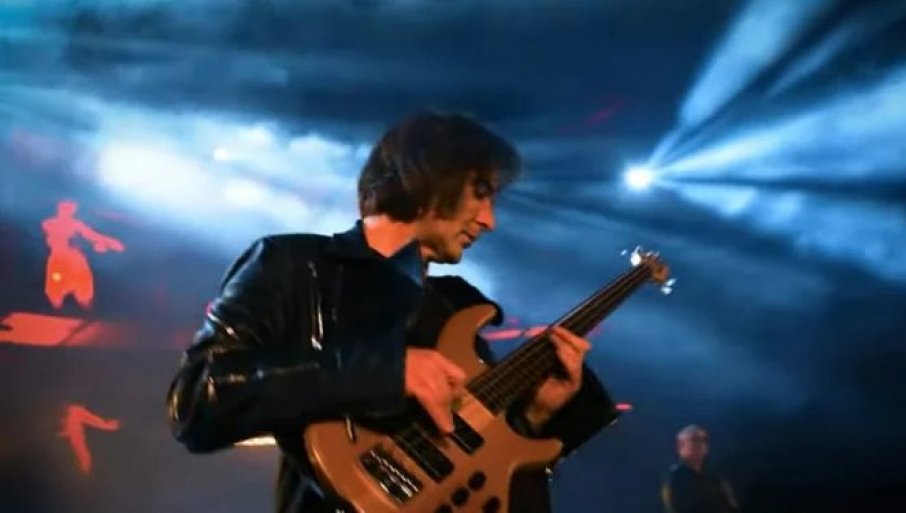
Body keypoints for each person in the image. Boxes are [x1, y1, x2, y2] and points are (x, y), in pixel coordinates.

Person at [166, 111, 619, 513]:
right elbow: (198, 401)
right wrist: (386, 372)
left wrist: (530, 418)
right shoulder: (291, 265)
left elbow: (463, 455)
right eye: (480, 193)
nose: (489, 220)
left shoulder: (455, 307)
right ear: (429, 177)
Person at [42, 200, 124, 310]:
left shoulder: (77, 224)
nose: (67, 210)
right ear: (58, 208)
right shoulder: (49, 224)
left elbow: (92, 236)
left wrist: (109, 242)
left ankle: (86, 307)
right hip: (59, 259)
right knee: (56, 287)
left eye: (70, 208)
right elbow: (55, 238)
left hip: (75, 259)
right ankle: (55, 308)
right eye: (64, 207)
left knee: (83, 287)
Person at [662, 425, 739, 513]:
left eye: (704, 440)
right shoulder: (674, 477)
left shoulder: (715, 477)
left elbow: (730, 505)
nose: (700, 444)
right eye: (694, 440)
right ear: (680, 445)